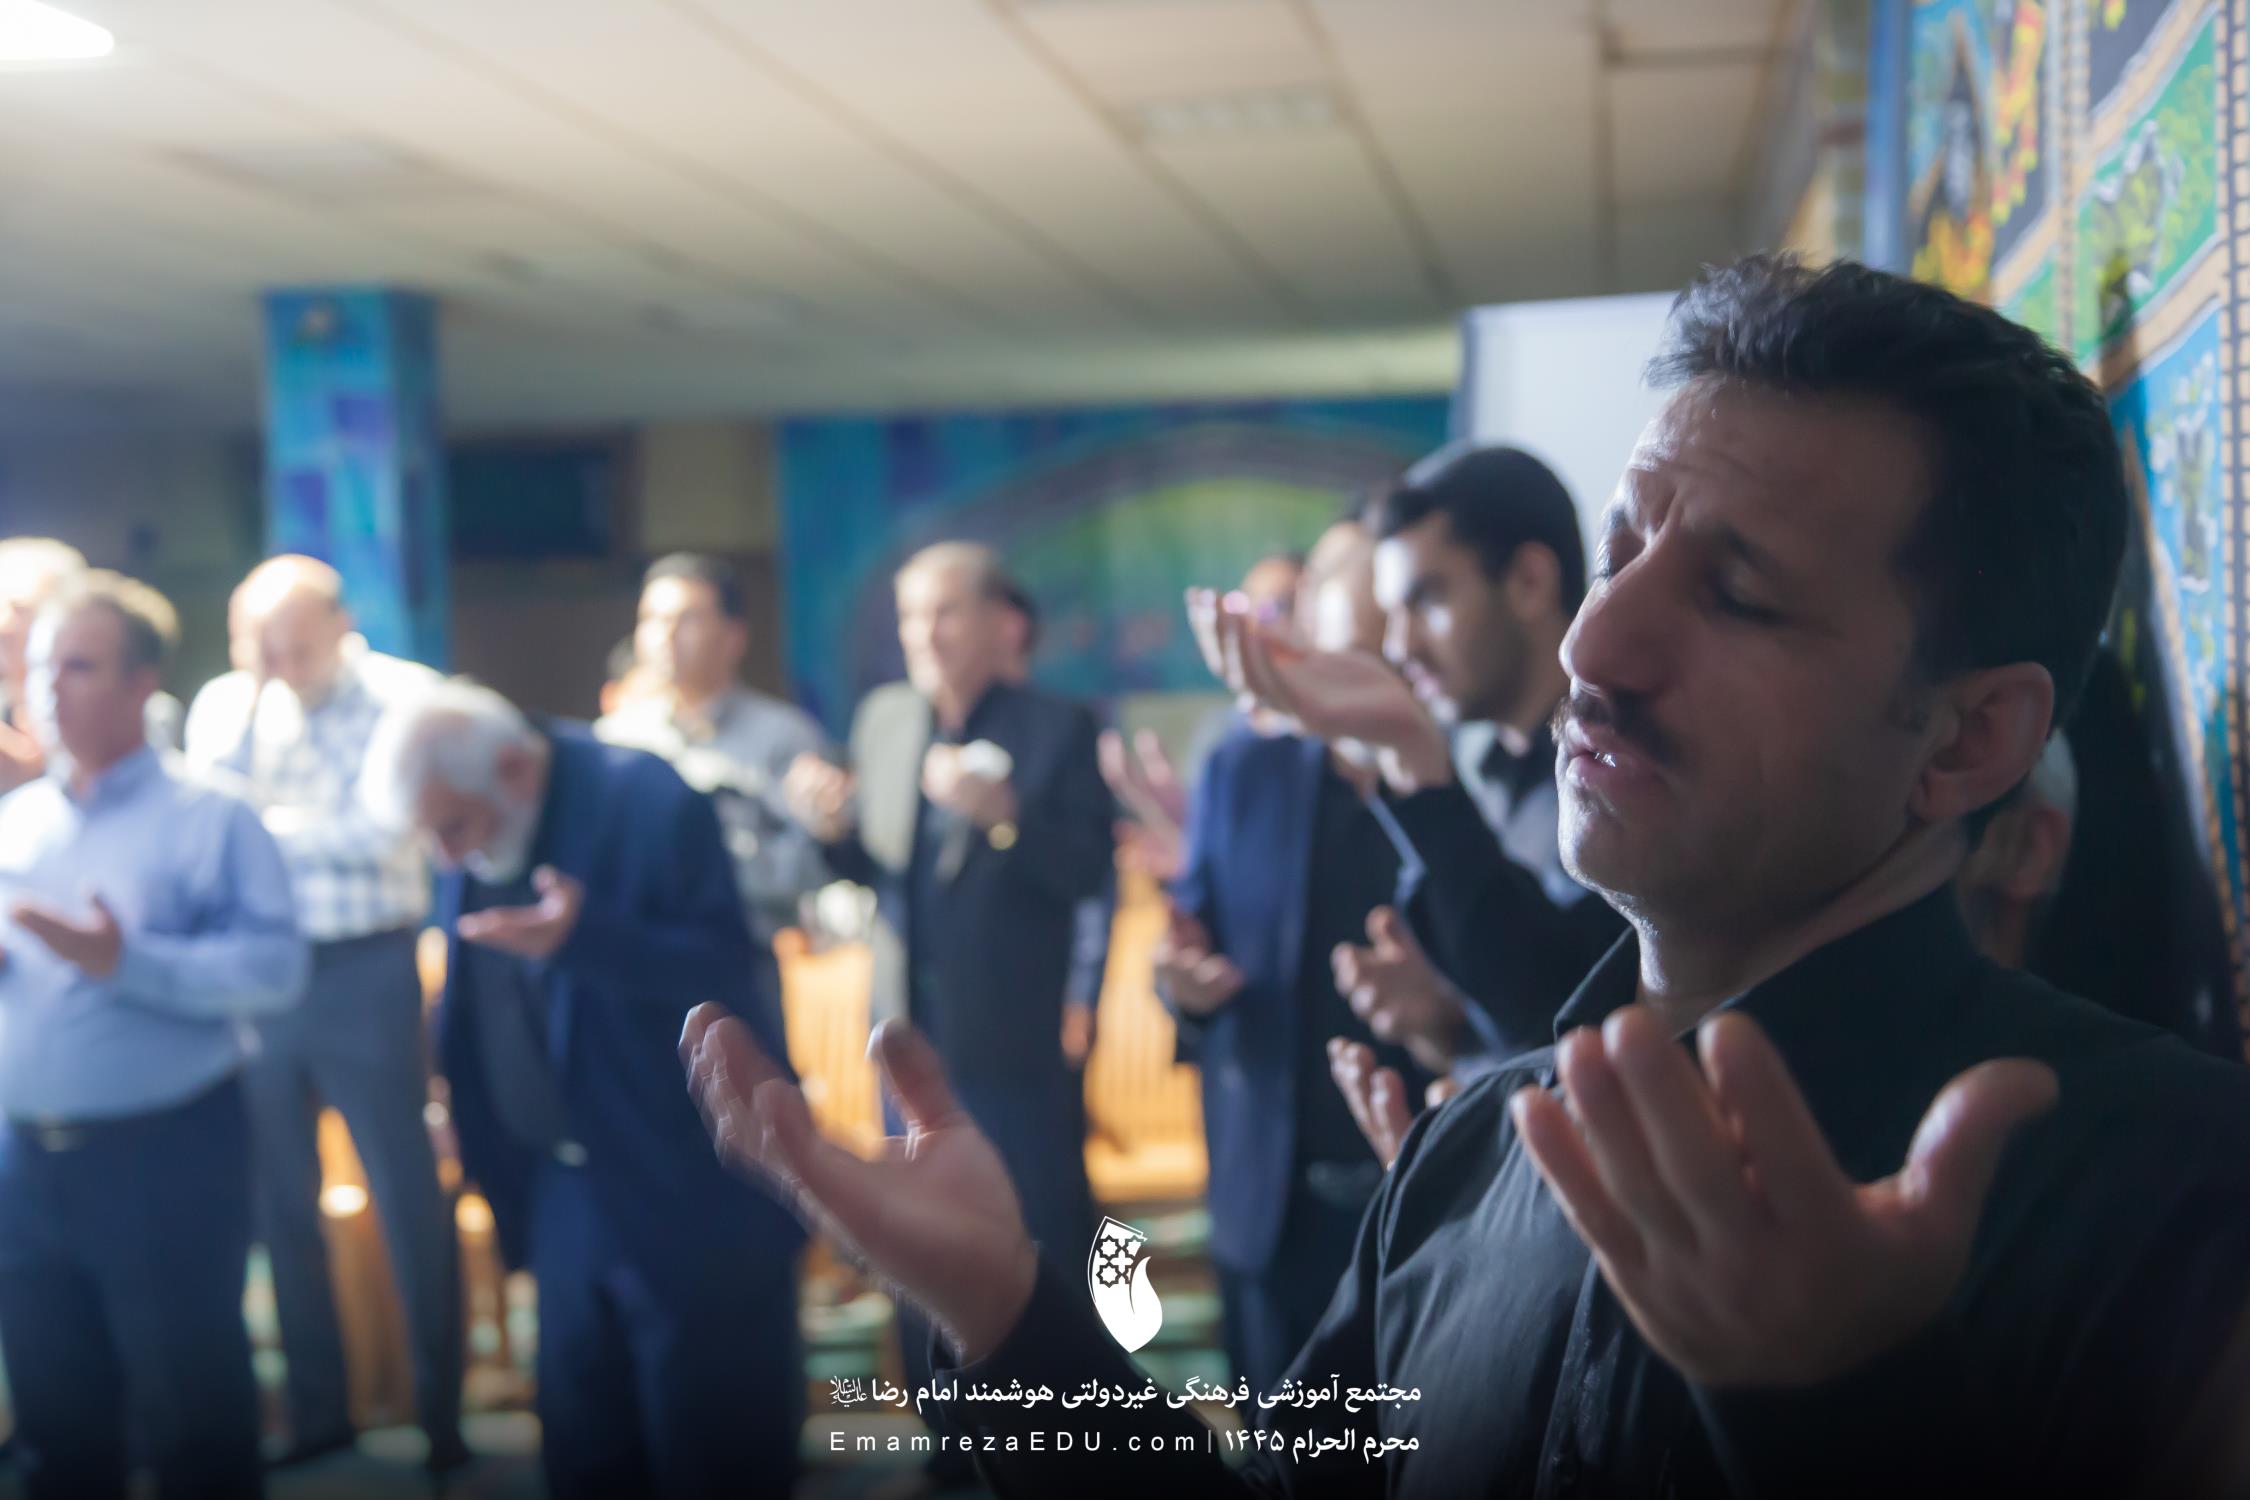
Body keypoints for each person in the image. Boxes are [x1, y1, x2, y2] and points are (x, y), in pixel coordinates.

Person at [687, 256, 2250, 1497]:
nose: (1594, 644)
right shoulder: (1472, 1149)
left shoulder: (2170, 1197)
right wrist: (1009, 1315)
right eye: (1622, 550)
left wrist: (1830, 1417)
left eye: (1738, 596)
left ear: (1967, 739)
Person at [363, 679, 804, 1500]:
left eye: (451, 829)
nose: (447, 858)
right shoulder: (475, 816)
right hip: (559, 1185)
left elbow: (726, 976)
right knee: (588, 1447)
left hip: (687, 1186)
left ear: (512, 769)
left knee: (712, 1450)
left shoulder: (647, 799)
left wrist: (584, 938)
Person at [781, 540, 1111, 1497]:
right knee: (917, 1241)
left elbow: (1087, 872)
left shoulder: (1059, 727)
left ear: (1004, 623)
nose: (923, 634)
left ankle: (1055, 1437)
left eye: (945, 612)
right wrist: (831, 829)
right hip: (904, 1040)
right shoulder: (887, 720)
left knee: (1037, 1240)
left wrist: (1005, 815)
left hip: (1014, 1042)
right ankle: (952, 1439)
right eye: (910, 616)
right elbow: (874, 872)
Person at [0, 570, 309, 1500]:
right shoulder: (16, 821)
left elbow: (276, 971)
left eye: (79, 667)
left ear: (143, 683)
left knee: (194, 1423)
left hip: (163, 1155)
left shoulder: (211, 817)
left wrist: (124, 961)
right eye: (40, 668)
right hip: (24, 1163)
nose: (48, 691)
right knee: (57, 1426)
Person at [181, 556, 463, 1476]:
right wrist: (285, 824)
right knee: (281, 1205)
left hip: (366, 968)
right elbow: (205, 836)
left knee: (405, 1194)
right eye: (259, 646)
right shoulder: (225, 706)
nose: (278, 663)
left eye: (295, 645)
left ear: (341, 626)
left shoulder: (403, 698)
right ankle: (319, 1414)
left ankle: (440, 1417)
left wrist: (266, 829)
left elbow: (384, 830)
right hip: (261, 982)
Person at [1154, 518, 1425, 1398]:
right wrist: (1184, 987)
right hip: (1268, 1183)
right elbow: (1191, 930)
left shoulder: (1463, 776)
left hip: (1428, 1183)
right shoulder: (1241, 769)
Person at [596, 553, 831, 960]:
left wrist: (708, 868)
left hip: (739, 955)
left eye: (686, 619)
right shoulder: (615, 738)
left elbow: (814, 863)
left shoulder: (782, 735)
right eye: (651, 619)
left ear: (733, 636)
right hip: (632, 958)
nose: (666, 635)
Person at [0, 539, 181, 794]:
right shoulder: (7, 705)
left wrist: (38, 775)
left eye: (19, 609)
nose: (4, 624)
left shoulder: (148, 712)